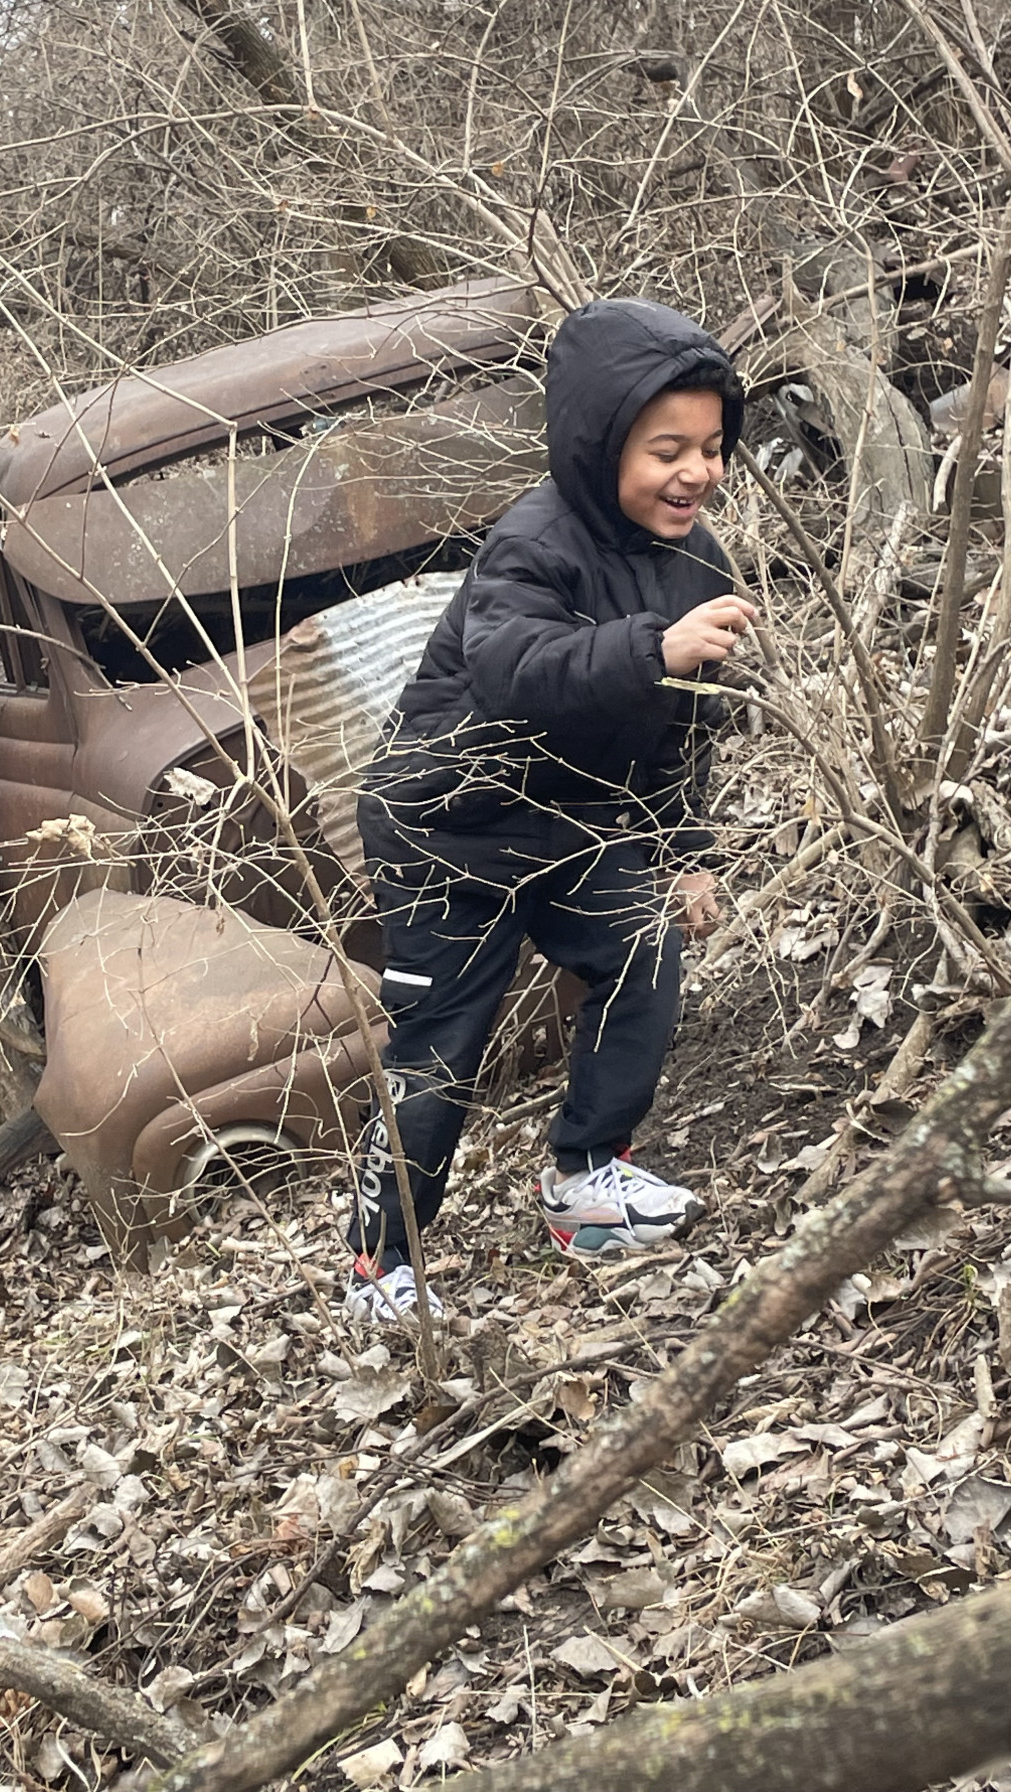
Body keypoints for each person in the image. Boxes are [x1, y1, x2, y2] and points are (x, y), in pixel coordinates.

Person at [344, 298, 758, 1323]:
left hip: (576, 818)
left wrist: (686, 850)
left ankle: (586, 1178)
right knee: (440, 1045)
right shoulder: (533, 540)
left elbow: (684, 726)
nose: (696, 473)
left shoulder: (697, 560)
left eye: (711, 448)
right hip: (450, 826)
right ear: (601, 443)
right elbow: (513, 669)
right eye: (668, 451)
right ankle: (379, 1265)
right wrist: (652, 649)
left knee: (645, 958)